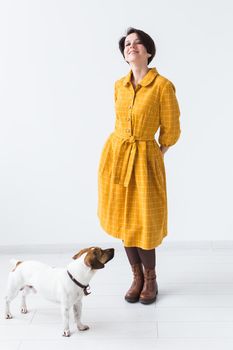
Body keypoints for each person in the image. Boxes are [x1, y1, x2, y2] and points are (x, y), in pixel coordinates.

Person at [97, 27, 181, 304]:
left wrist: (156, 153)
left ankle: (151, 278)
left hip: (144, 159)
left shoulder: (163, 86)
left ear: (148, 51)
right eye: (127, 44)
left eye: (137, 43)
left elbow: (171, 129)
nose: (131, 46)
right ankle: (136, 277)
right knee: (125, 220)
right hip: (117, 157)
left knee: (144, 221)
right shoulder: (118, 86)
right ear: (125, 54)